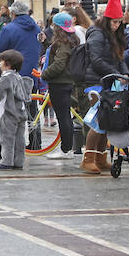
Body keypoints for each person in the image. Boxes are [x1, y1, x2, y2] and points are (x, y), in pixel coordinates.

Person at [79, 0, 128, 174]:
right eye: (115, 22)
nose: (117, 25)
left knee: (105, 120)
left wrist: (124, 72)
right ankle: (89, 157)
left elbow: (120, 57)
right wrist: (116, 73)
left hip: (109, 81)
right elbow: (96, 60)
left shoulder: (113, 35)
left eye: (119, 22)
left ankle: (100, 157)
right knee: (97, 121)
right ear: (107, 20)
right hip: (96, 82)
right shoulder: (97, 34)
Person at [41, 12, 80, 160]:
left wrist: (45, 75)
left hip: (59, 83)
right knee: (66, 117)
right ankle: (67, 148)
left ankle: (65, 149)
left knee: (63, 117)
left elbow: (59, 64)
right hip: (67, 83)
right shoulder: (72, 40)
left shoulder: (62, 43)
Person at [0, 49, 33, 170]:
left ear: (7, 64)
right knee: (19, 139)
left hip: (8, 113)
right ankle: (18, 161)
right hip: (21, 112)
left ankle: (6, 161)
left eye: (1, 61)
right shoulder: (18, 77)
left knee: (7, 138)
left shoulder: (5, 78)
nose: (0, 63)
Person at [0, 1, 41, 79]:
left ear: (13, 14)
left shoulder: (8, 29)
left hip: (13, 75)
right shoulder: (37, 29)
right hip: (33, 73)